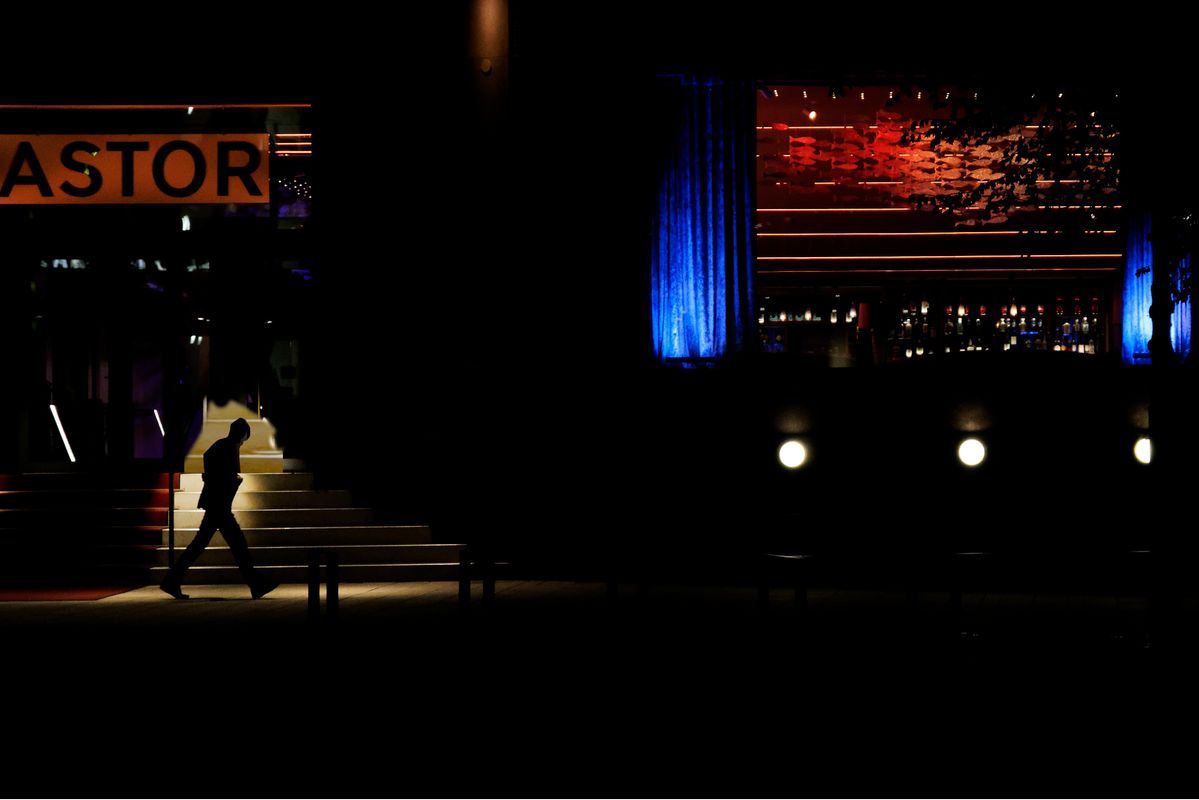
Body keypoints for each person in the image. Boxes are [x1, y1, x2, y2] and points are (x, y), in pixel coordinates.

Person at [160, 418, 279, 600]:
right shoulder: (230, 447)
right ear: (242, 434)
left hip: (216, 506)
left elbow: (209, 461)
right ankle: (256, 584)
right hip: (221, 507)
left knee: (201, 545)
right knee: (237, 546)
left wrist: (211, 477)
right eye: (244, 437)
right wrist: (230, 480)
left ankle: (172, 580)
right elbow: (225, 476)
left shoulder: (221, 445)